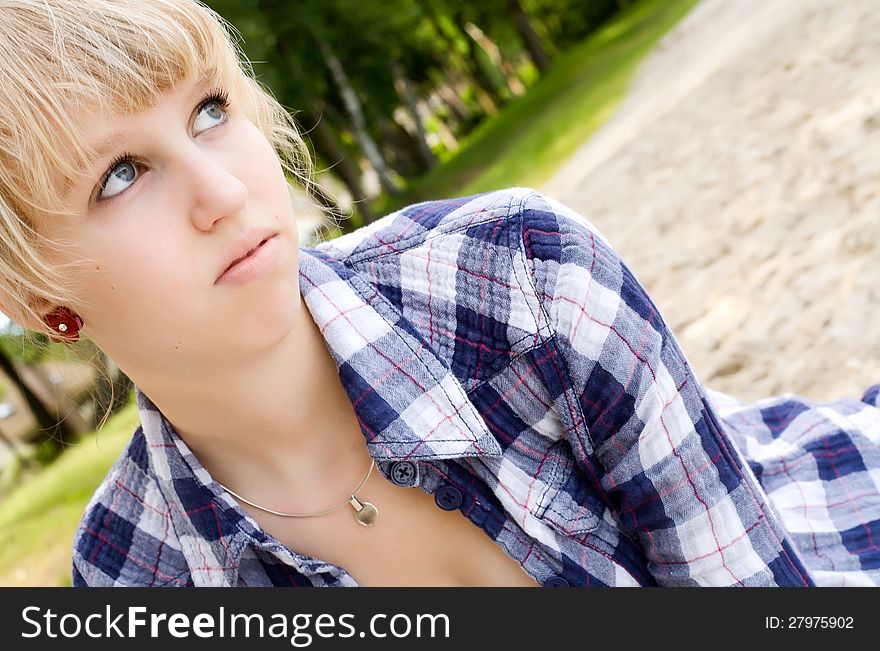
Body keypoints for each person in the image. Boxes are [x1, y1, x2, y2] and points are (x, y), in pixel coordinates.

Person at [0, 0, 878, 588]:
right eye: (120, 175)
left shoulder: (519, 275)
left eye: (209, 111)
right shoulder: (136, 573)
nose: (223, 193)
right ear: (43, 301)